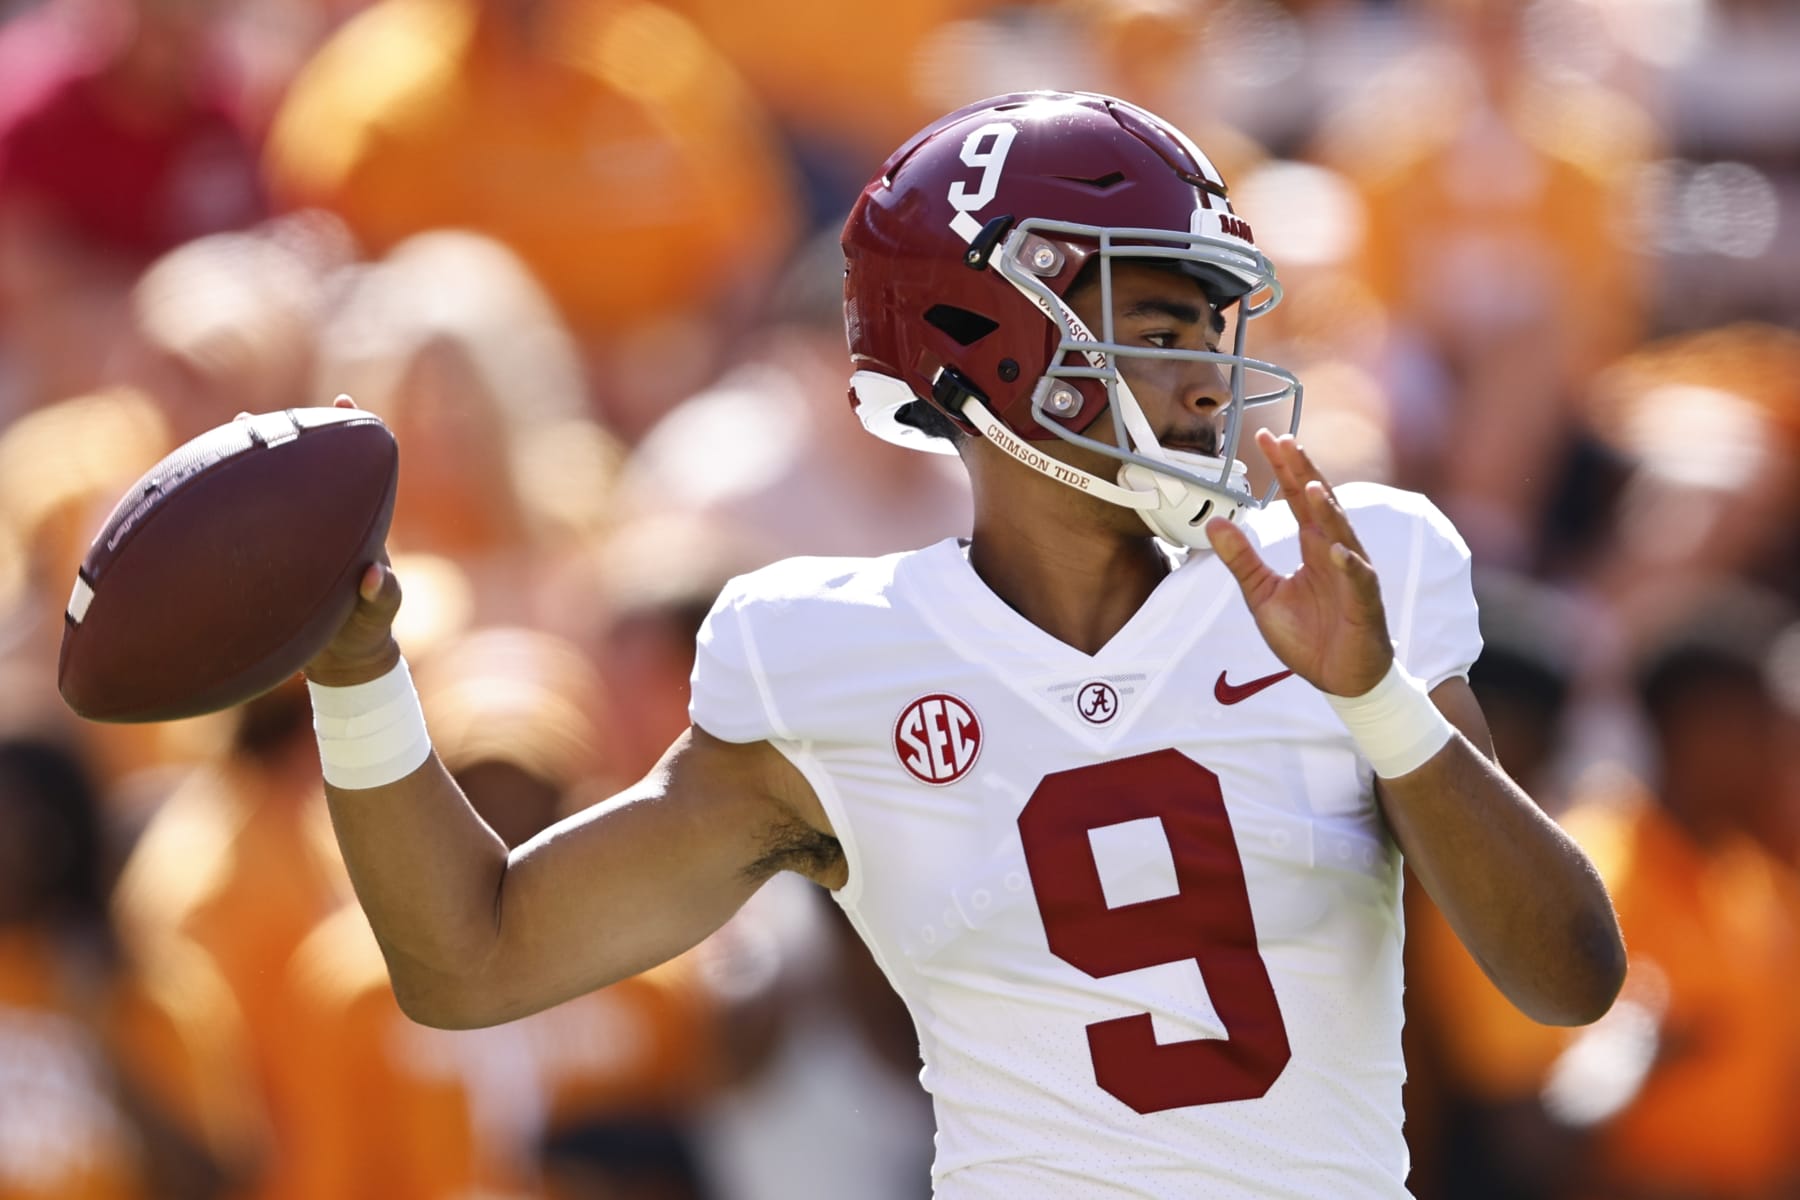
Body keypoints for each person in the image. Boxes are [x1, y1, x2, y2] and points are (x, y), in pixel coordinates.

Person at [302, 91, 1625, 1197]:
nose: (1207, 379)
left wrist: (1379, 699)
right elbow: (474, 961)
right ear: (983, 345)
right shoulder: (825, 660)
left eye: (1211, 331)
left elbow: (1566, 979)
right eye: (1157, 330)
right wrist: (357, 674)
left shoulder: (1350, 574)